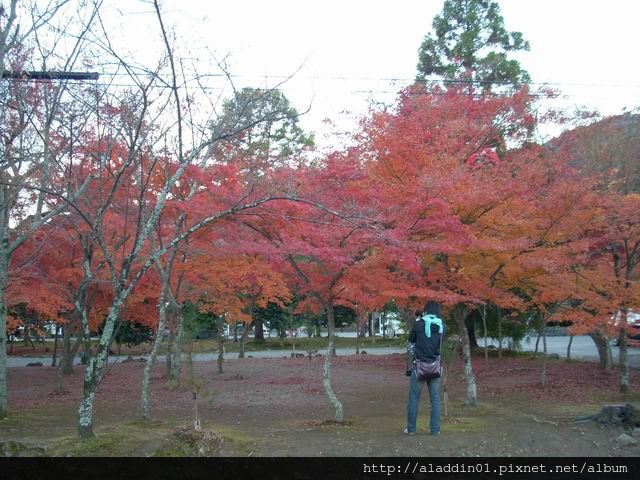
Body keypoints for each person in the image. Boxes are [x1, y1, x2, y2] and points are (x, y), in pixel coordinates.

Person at [405, 301, 445, 436]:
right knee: (435, 400)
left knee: (414, 398)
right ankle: (435, 430)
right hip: (435, 367)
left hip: (419, 367)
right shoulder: (442, 326)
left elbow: (410, 346)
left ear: (426, 310)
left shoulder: (418, 324)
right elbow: (440, 346)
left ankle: (411, 429)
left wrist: (418, 351)